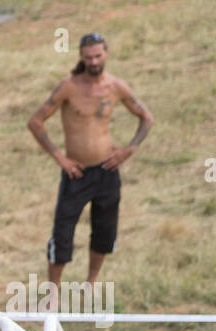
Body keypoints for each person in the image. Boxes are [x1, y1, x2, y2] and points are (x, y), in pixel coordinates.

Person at [26, 32, 153, 304]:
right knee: (63, 232)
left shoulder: (116, 86)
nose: (93, 61)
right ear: (81, 58)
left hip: (107, 170)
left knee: (105, 230)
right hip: (76, 173)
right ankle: (53, 292)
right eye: (88, 57)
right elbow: (36, 121)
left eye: (97, 56)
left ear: (105, 54)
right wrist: (60, 157)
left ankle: (91, 283)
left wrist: (130, 148)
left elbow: (146, 118)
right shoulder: (68, 87)